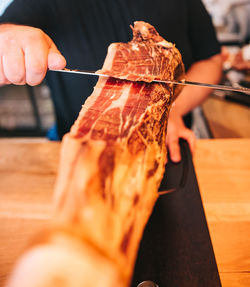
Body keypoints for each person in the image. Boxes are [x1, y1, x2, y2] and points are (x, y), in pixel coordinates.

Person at [0, 0, 222, 162]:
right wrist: (8, 35)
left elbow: (211, 60)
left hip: (167, 146)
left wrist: (171, 109)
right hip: (79, 152)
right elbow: (7, 30)